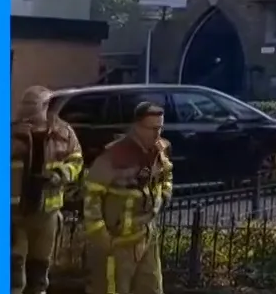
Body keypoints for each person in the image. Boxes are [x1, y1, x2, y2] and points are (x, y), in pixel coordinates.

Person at [82, 102, 174, 294]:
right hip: (117, 244)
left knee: (151, 288)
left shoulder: (160, 150)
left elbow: (166, 175)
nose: (157, 134)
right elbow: (92, 193)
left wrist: (164, 194)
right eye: (152, 128)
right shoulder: (114, 155)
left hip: (147, 238)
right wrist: (101, 236)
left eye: (160, 127)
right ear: (138, 126)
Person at [12, 86, 84, 294]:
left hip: (47, 213)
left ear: (45, 108)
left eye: (31, 112)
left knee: (39, 271)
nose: (28, 118)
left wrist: (61, 175)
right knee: (15, 274)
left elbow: (76, 161)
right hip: (16, 215)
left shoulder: (64, 134)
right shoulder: (10, 134)